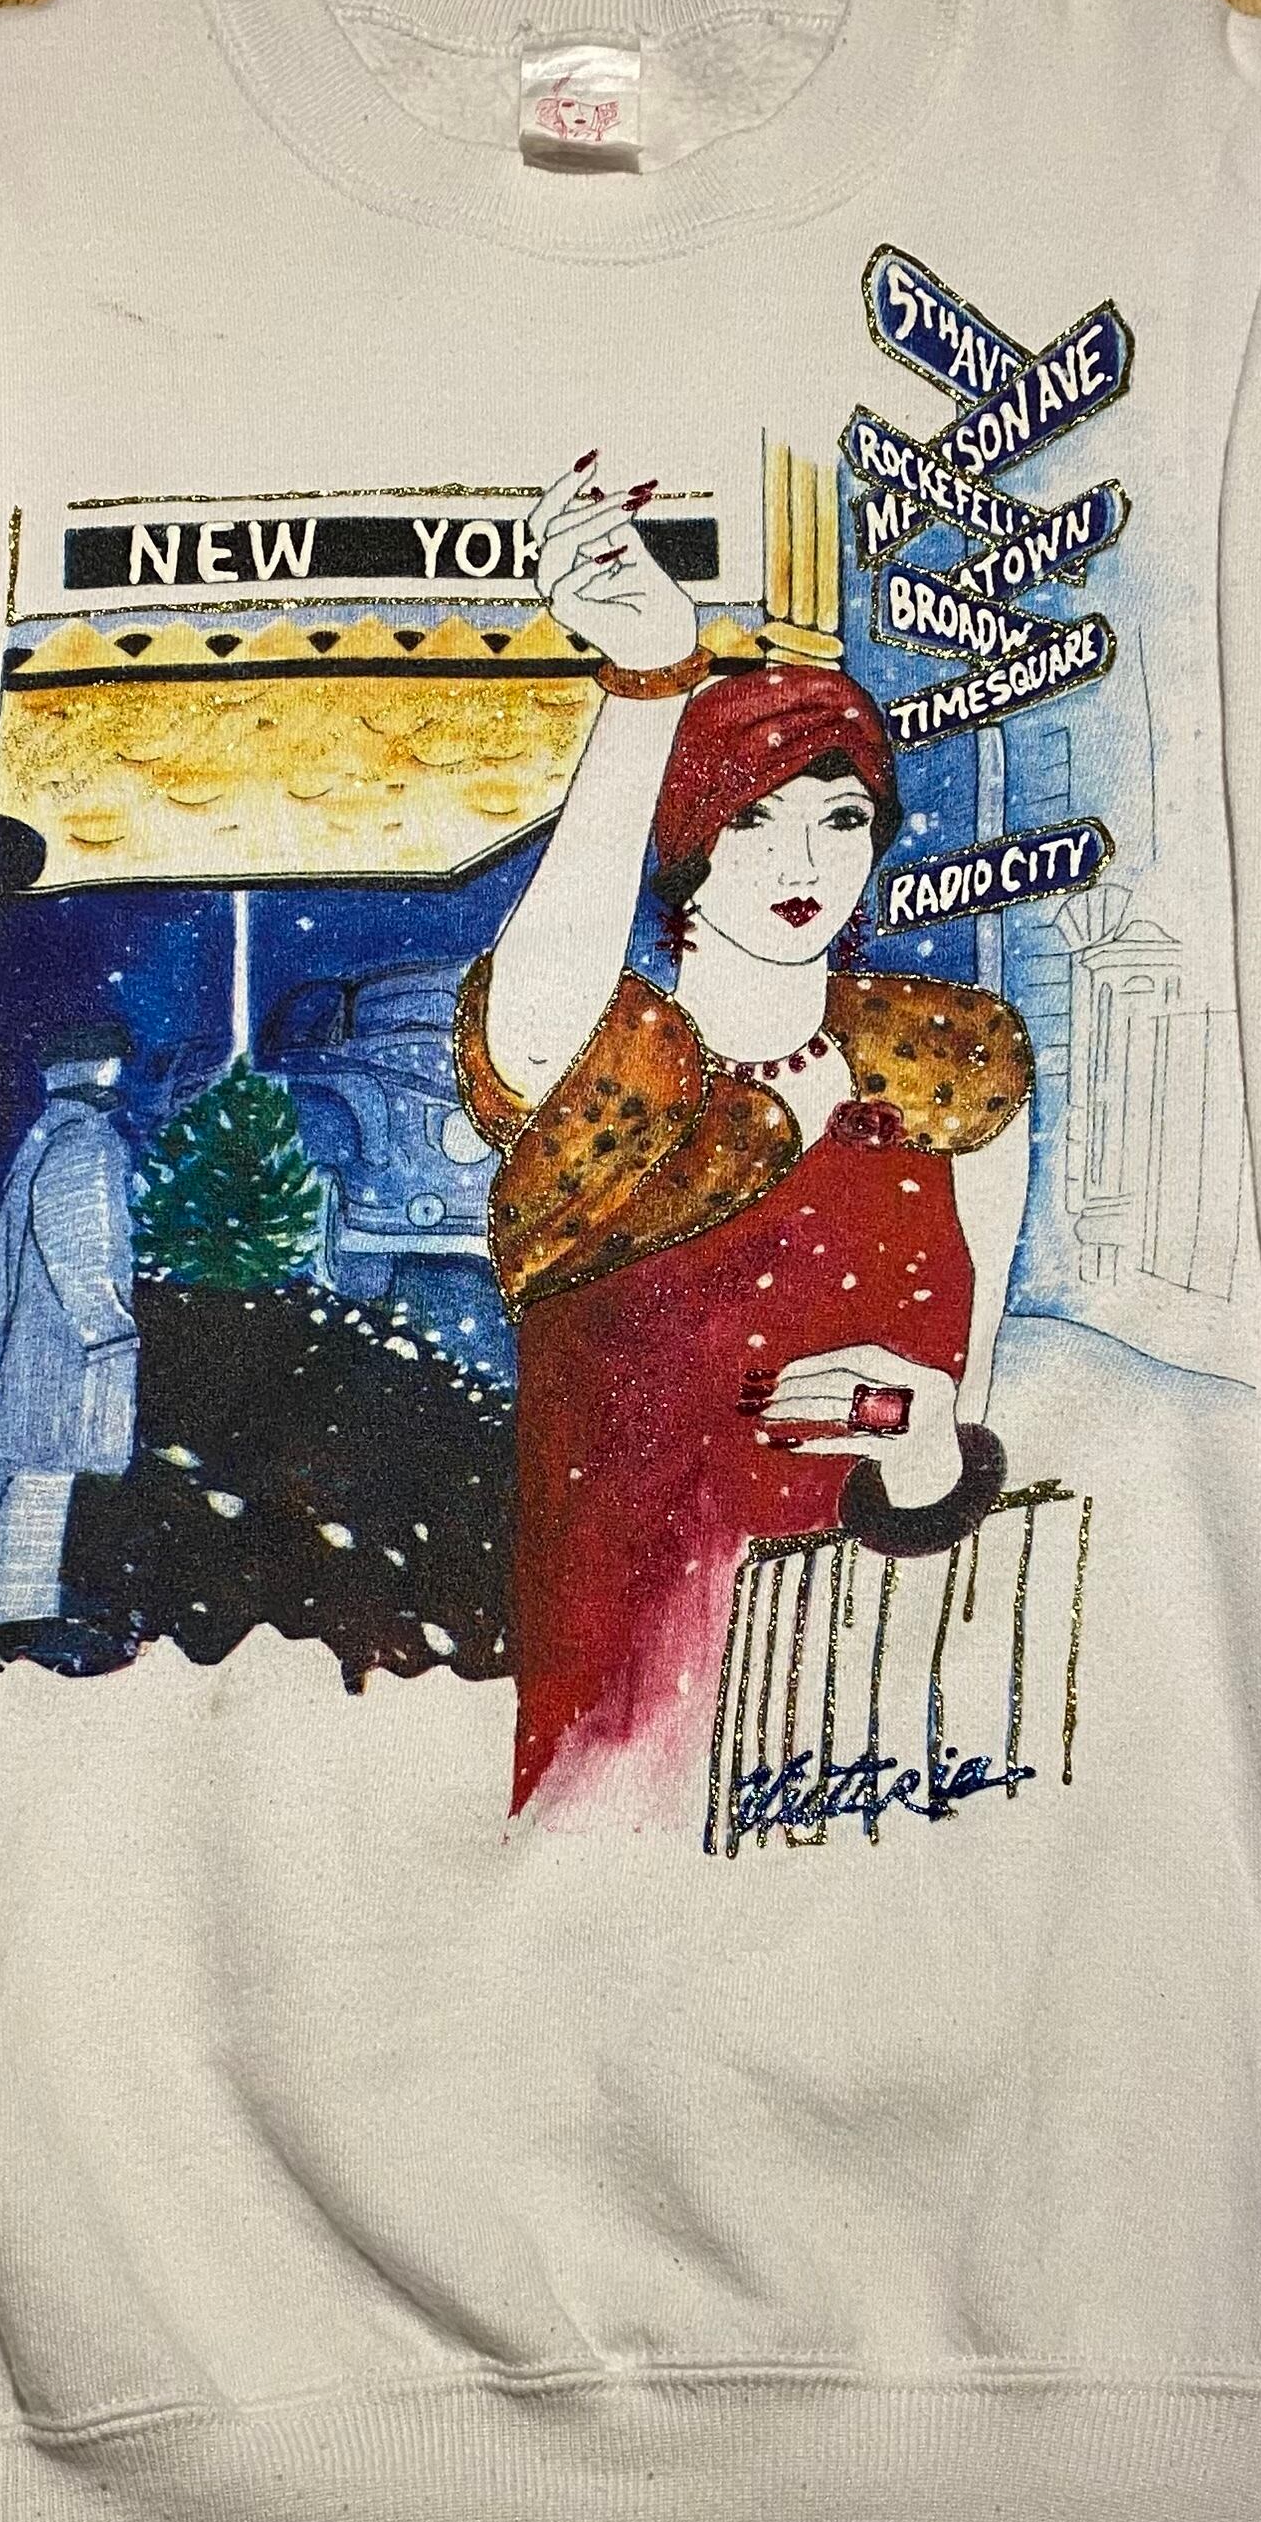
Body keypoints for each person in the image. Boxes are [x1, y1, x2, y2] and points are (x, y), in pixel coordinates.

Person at [456, 449, 1036, 1824]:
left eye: (841, 819)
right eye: (751, 820)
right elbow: (529, 1028)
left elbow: (961, 1419)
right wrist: (647, 681)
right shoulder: (619, 1067)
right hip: (630, 1700)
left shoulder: (956, 1073)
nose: (803, 862)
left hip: (871, 1680)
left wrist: (925, 1455)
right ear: (686, 852)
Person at [0, 1015, 140, 1628]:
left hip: (31, 1336)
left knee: (22, 1464)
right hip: (66, 1344)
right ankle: (14, 1608)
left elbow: (0, 1262)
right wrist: (109, 1327)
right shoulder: (85, 1143)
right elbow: (78, 1248)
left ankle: (5, 1597)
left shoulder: (43, 1136)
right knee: (45, 1467)